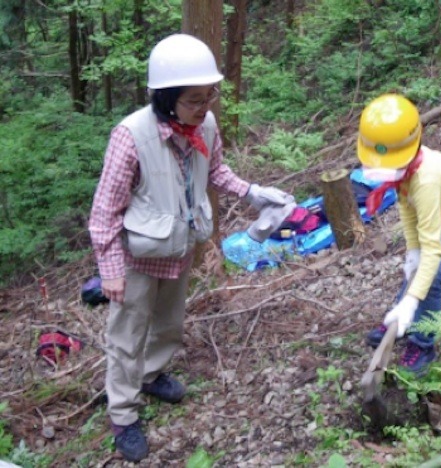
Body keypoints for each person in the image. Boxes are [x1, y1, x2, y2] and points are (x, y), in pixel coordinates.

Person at [88, 33, 293, 462]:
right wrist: (109, 269)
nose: (205, 108)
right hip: (137, 257)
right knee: (127, 336)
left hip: (179, 246)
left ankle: (151, 375)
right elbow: (105, 212)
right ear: (165, 98)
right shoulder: (130, 137)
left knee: (169, 324)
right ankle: (123, 415)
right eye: (194, 100)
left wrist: (253, 192)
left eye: (208, 97)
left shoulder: (206, 126)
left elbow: (216, 170)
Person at [359, 93, 441, 374]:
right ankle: (399, 317)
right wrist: (412, 251)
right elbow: (407, 211)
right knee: (417, 269)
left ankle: (423, 343)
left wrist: (412, 300)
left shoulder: (426, 180)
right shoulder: (405, 169)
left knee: (431, 276)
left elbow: (433, 250)